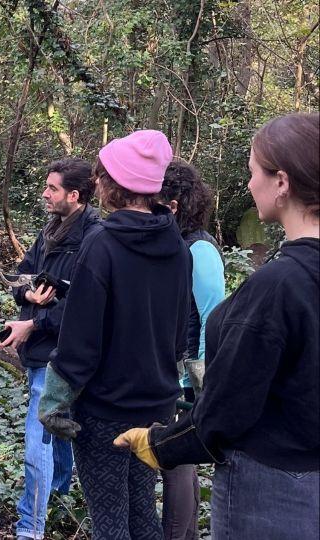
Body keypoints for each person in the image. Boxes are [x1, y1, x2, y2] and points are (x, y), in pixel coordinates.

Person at [115, 112, 319, 540]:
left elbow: (228, 409)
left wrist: (160, 444)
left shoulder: (279, 285)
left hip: (273, 490)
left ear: (282, 182)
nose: (248, 185)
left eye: (252, 172)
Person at [38, 130, 192, 539]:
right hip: (157, 403)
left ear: (113, 184)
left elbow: (81, 336)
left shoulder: (102, 242)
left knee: (109, 521)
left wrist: (55, 398)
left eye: (101, 176)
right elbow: (180, 330)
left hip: (106, 408)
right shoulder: (175, 243)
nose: (96, 183)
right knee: (142, 512)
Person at [2, 158, 100, 540]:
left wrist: (35, 322)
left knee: (38, 438)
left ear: (74, 196)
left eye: (52, 188)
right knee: (56, 430)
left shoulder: (94, 237)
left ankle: (31, 526)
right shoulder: (50, 232)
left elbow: (85, 308)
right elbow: (21, 274)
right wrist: (27, 293)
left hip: (61, 356)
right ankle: (57, 494)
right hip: (38, 349)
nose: (44, 193)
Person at [156, 160, 225, 540]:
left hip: (186, 374)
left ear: (174, 205)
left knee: (177, 462)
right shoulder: (179, 244)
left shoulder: (199, 249)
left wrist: (198, 380)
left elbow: (212, 316)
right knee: (182, 461)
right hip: (173, 368)